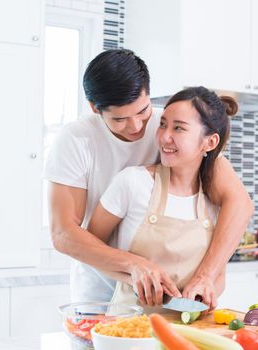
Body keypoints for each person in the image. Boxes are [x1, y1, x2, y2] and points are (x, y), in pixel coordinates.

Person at [44, 49, 253, 307]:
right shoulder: (76, 140)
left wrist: (206, 275)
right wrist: (133, 264)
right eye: (119, 118)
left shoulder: (167, 125)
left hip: (164, 303)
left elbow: (239, 202)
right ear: (95, 109)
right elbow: (63, 234)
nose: (135, 126)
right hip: (98, 292)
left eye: (142, 111)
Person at [87, 87, 236, 310]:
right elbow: (91, 250)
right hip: (127, 330)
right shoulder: (132, 183)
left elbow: (219, 273)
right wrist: (133, 274)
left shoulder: (216, 203)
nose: (165, 136)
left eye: (179, 128)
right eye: (163, 124)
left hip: (189, 332)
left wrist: (205, 293)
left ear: (210, 142)